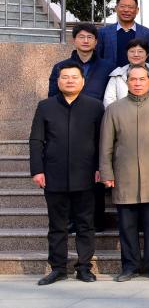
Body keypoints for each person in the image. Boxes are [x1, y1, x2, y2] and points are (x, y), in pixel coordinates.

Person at [30, 62, 105, 285]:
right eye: (65, 77)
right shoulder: (45, 106)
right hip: (53, 175)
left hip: (87, 175)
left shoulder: (95, 106)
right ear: (58, 81)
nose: (70, 80)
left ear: (83, 81)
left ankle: (84, 268)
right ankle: (58, 268)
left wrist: (101, 167)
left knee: (85, 224)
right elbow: (36, 140)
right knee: (57, 226)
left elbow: (102, 141)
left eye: (74, 77)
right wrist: (37, 170)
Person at [98, 65, 149, 282]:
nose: (138, 83)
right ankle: (129, 266)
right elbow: (106, 145)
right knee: (127, 226)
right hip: (124, 176)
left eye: (142, 79)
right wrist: (106, 173)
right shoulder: (114, 109)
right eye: (133, 79)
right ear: (127, 82)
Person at [48, 23, 116, 101]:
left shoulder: (108, 67)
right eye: (81, 37)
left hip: (97, 108)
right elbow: (53, 97)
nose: (85, 41)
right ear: (74, 40)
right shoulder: (59, 67)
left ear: (96, 42)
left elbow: (111, 97)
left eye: (89, 37)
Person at [103, 40, 149, 107]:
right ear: (127, 54)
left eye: (140, 51)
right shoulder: (117, 75)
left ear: (147, 55)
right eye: (132, 51)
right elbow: (108, 101)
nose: (136, 54)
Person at [96, 0, 149, 67]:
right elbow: (97, 57)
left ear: (137, 10)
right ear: (116, 8)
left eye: (130, 7)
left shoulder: (147, 34)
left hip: (138, 73)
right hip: (109, 73)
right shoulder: (103, 32)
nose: (126, 10)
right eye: (122, 6)